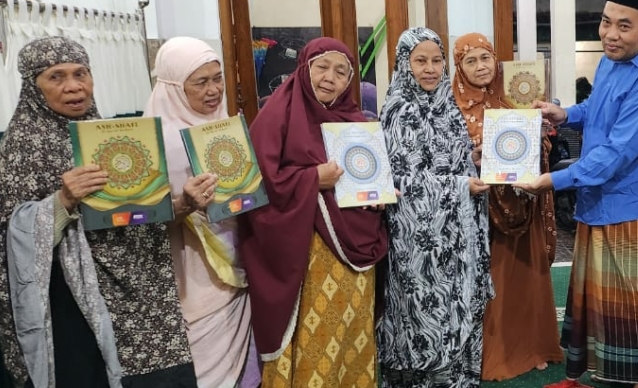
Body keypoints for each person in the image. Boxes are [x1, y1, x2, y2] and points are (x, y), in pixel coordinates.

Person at [0, 36, 196, 387]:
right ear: (33, 86)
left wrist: (183, 204)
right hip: (74, 300)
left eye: (80, 73)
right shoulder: (21, 145)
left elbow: (136, 214)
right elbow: (11, 236)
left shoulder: (103, 133)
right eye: (56, 76)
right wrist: (62, 201)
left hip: (141, 293)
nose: (74, 86)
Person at [516, 0, 638, 388]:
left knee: (633, 303)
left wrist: (552, 180)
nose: (610, 34)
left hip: (633, 203)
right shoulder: (613, 60)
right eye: (607, 22)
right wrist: (566, 114)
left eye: (624, 26)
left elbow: (616, 154)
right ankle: (588, 378)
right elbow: (599, 108)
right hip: (599, 196)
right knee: (594, 297)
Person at [241, 37, 390, 387]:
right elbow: (259, 182)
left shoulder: (354, 120)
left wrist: (380, 193)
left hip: (356, 252)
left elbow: (366, 174)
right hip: (305, 251)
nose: (330, 78)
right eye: (322, 67)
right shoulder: (277, 114)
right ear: (304, 68)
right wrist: (312, 179)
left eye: (341, 72)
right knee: (317, 330)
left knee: (351, 326)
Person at [377, 27, 492, 388]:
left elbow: (452, 161)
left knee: (460, 306)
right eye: (420, 61)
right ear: (404, 64)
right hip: (418, 243)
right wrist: (460, 186)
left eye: (436, 61)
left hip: (457, 236)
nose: (429, 69)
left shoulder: (447, 107)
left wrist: (472, 160)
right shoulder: (397, 111)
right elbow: (399, 182)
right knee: (424, 313)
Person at [143, 36, 260, 388]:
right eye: (200, 82)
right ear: (174, 87)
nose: (213, 90)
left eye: (217, 78)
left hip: (236, 268)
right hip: (188, 276)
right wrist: (184, 205)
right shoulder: (155, 144)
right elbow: (140, 224)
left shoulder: (226, 128)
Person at [451, 32, 563, 381]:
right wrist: (473, 155)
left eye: (486, 58)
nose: (481, 67)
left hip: (520, 205)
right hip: (479, 213)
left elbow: (535, 152)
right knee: (492, 280)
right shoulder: (451, 109)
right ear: (459, 67)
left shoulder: (510, 103)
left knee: (523, 278)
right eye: (470, 61)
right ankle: (494, 352)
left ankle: (532, 345)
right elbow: (447, 159)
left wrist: (538, 138)